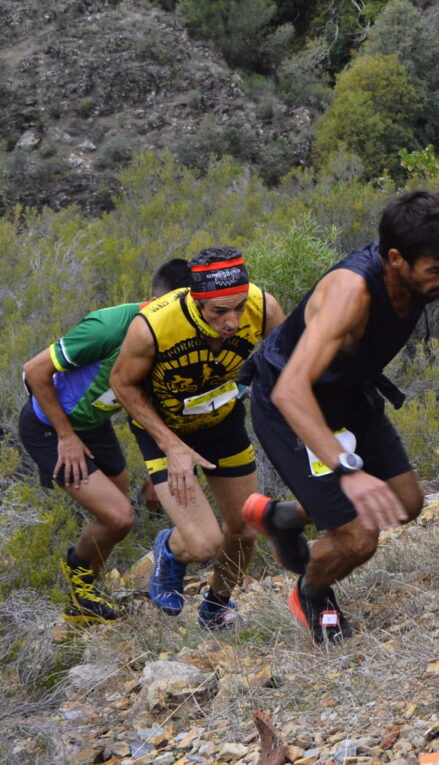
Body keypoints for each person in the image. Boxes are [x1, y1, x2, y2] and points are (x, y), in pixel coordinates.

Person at [241, 191, 439, 643]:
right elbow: (291, 390)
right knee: (359, 537)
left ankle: (285, 519)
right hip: (292, 404)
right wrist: (346, 468)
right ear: (396, 258)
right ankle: (312, 591)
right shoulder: (349, 293)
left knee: (407, 504)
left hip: (351, 391)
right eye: (435, 270)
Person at [110, 248, 284, 630]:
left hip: (221, 423)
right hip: (164, 431)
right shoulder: (153, 326)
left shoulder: (264, 307)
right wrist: (172, 447)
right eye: (219, 312)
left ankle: (216, 605)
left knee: (245, 528)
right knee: (204, 544)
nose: (232, 322)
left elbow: (286, 362)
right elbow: (121, 383)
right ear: (195, 298)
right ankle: (170, 549)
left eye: (238, 307)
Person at [17, 258, 191, 623]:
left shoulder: (177, 336)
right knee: (118, 517)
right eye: (172, 308)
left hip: (94, 423)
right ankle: (80, 593)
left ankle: (85, 580)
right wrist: (65, 436)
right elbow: (33, 372)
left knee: (119, 508)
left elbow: (147, 402)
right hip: (50, 426)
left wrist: (157, 471)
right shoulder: (109, 326)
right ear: (154, 300)